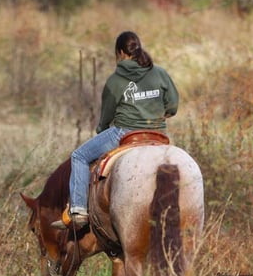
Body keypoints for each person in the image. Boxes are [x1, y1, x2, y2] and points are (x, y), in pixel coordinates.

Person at [51, 31, 180, 229]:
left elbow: (106, 117)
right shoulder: (160, 73)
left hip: (124, 134)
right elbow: (172, 106)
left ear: (120, 52)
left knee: (79, 156)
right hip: (158, 134)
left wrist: (101, 129)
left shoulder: (115, 80)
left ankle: (77, 210)